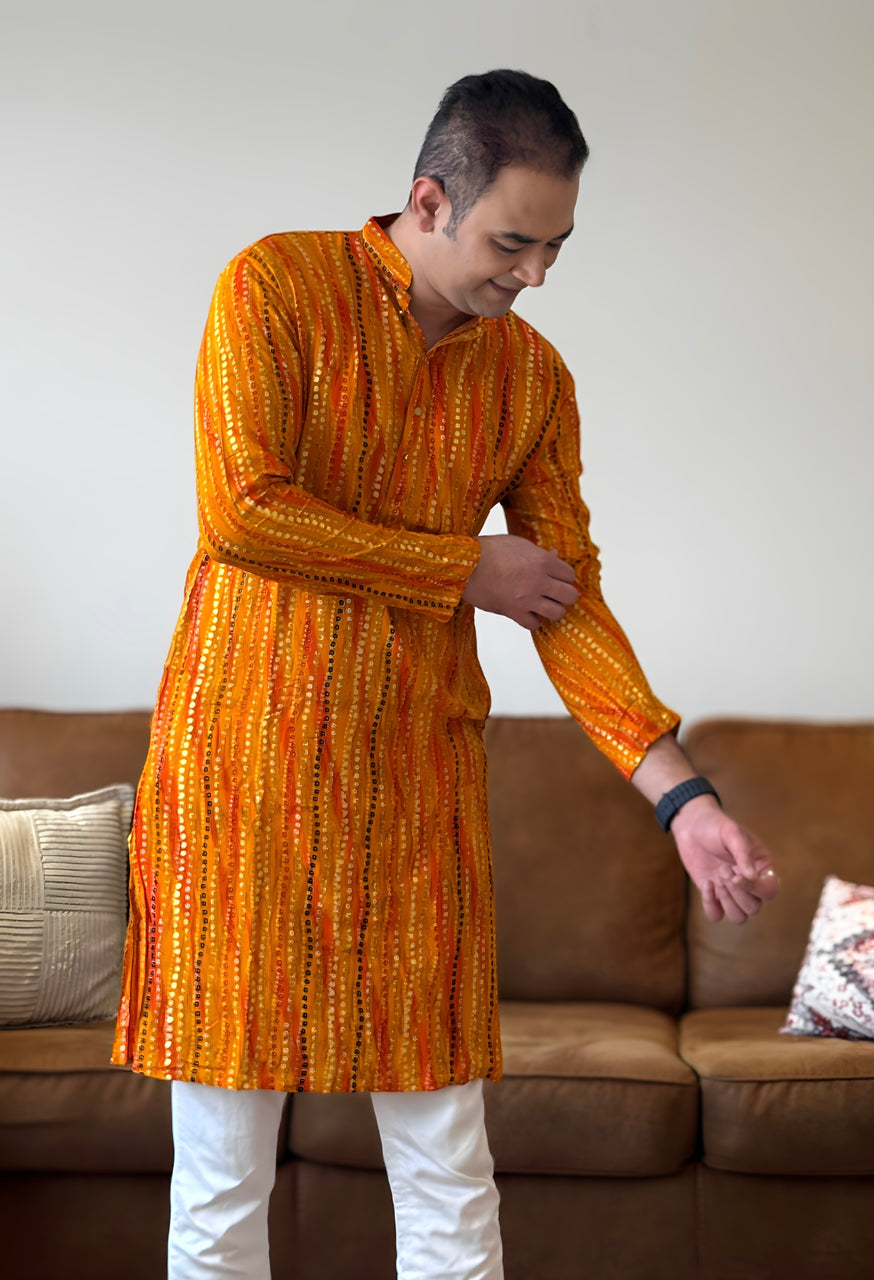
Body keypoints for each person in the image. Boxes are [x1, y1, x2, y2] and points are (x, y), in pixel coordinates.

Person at [113, 69, 777, 1280]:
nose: (533, 275)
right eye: (512, 242)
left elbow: (561, 593)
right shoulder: (273, 286)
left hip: (412, 800)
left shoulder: (530, 379)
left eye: (555, 246)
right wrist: (460, 566)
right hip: (240, 791)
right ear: (428, 199)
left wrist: (681, 792)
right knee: (220, 1184)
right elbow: (243, 512)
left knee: (450, 1174)